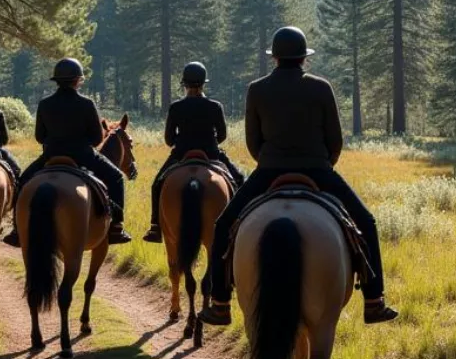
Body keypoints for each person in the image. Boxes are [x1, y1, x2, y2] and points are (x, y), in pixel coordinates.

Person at [197, 26, 398, 327]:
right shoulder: (321, 87)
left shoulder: (257, 89)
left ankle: (220, 302)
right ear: (304, 57)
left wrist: (270, 162)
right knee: (366, 222)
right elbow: (335, 140)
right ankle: (374, 300)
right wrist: (323, 164)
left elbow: (254, 143)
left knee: (223, 224)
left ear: (275, 57)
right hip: (317, 169)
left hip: (268, 172)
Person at [16, 58, 131, 244]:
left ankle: (16, 228)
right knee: (116, 177)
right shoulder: (87, 103)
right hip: (83, 156)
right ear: (78, 80)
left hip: (51, 155)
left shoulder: (45, 104)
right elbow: (96, 139)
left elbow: (39, 137)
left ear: (57, 80)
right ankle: (117, 227)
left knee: (22, 181)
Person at [144, 61, 244, 243]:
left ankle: (155, 227)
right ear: (204, 83)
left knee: (157, 184)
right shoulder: (215, 106)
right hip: (212, 153)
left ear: (184, 84)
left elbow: (168, 139)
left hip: (181, 154)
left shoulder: (176, 107)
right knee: (239, 179)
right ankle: (237, 222)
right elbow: (222, 135)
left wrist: (180, 142)